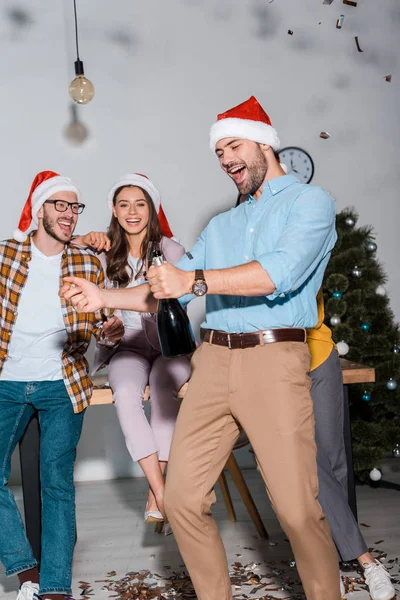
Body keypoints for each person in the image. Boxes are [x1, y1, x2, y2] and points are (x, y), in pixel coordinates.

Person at [61, 96, 342, 599]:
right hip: (210, 361)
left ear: (265, 143)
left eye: (233, 146)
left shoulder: (310, 203)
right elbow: (165, 287)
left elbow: (277, 274)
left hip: (273, 359)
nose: (225, 160)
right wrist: (100, 294)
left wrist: (192, 278)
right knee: (183, 500)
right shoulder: (222, 226)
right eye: (218, 153)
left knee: (297, 509)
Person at [233, 195, 396, 600]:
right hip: (272, 364)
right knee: (310, 464)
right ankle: (363, 560)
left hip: (318, 352)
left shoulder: (304, 236)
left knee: (334, 460)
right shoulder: (239, 258)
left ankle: (336, 554)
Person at [0, 171, 124, 600]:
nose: (70, 214)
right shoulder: (6, 256)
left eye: (75, 207)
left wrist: (110, 329)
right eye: (61, 205)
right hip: (7, 382)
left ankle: (53, 589)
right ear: (40, 209)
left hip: (62, 383)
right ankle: (26, 571)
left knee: (56, 484)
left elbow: (101, 324)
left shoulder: (87, 262)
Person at [73, 174, 191, 523]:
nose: (132, 211)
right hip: (127, 349)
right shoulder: (103, 251)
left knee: (164, 391)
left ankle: (157, 496)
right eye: (123, 204)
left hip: (171, 349)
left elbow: (177, 303)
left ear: (152, 209)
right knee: (125, 393)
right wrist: (85, 237)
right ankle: (161, 492)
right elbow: (62, 251)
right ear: (114, 209)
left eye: (140, 204)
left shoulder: (173, 252)